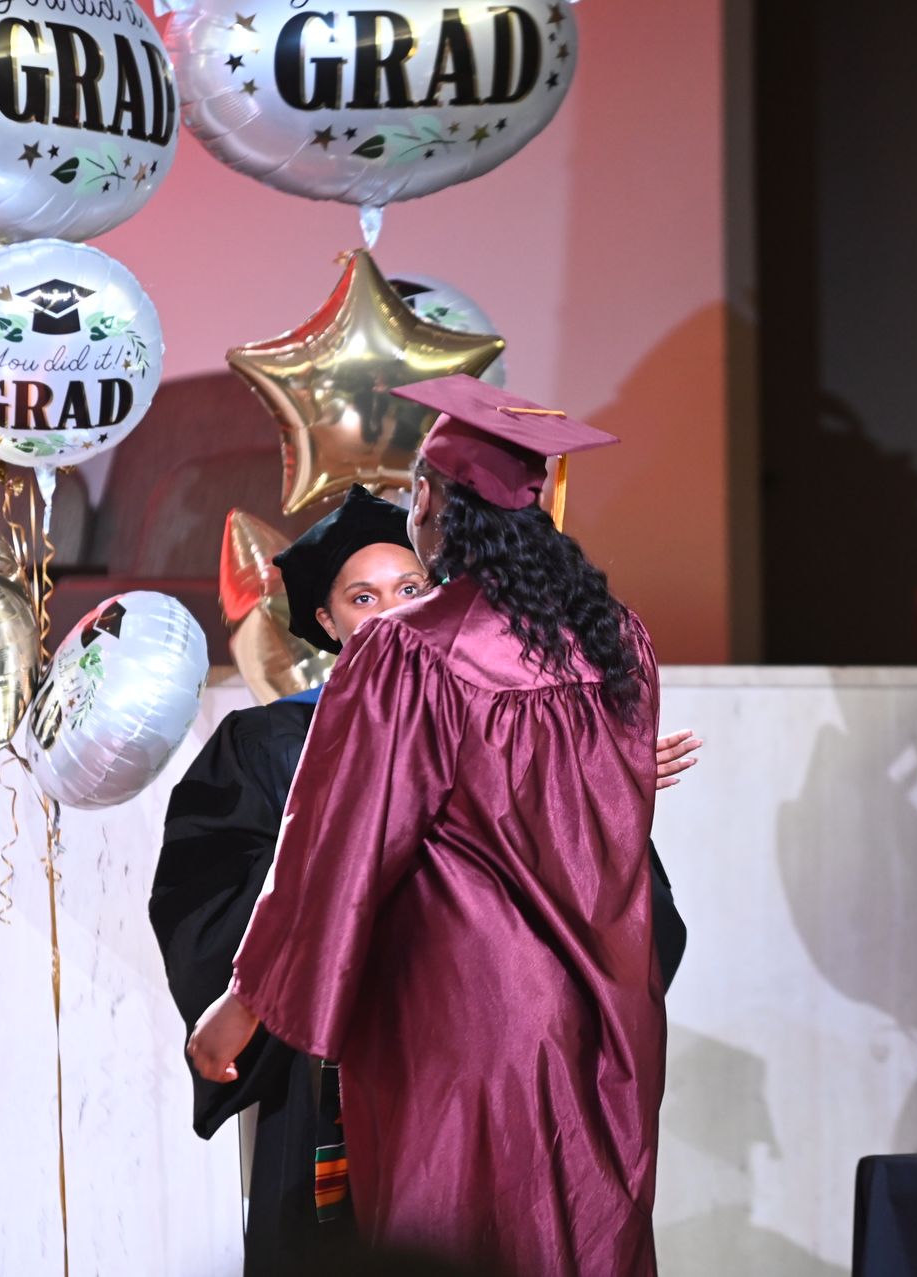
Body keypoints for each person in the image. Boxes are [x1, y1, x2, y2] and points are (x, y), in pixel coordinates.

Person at [187, 376, 673, 1276]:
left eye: (418, 486)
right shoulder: (616, 640)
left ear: (434, 504)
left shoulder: (410, 648)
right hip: (603, 1015)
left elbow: (337, 843)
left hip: (459, 1020)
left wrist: (243, 1001)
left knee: (458, 1240)